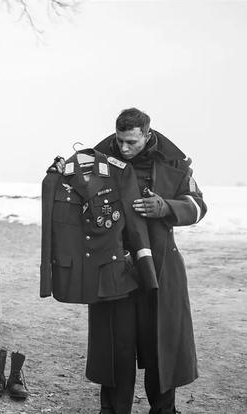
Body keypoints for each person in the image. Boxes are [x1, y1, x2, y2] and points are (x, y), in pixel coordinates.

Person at [51, 108, 207, 414]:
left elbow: (198, 206)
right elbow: (69, 191)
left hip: (160, 268)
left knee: (161, 344)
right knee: (115, 347)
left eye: (131, 142)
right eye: (120, 140)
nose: (124, 148)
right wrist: (59, 172)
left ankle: (164, 411)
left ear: (147, 135)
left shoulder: (173, 164)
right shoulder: (95, 160)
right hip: (111, 266)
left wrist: (167, 207)